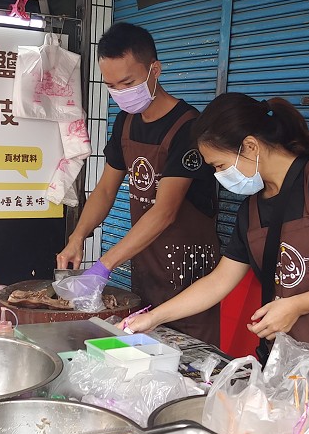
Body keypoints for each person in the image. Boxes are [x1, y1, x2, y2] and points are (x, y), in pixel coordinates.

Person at [123, 92, 309, 385]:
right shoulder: (252, 209)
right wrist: (153, 318)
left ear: (249, 146)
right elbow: (219, 281)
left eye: (219, 166)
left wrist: (296, 305)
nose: (218, 176)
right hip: (303, 363)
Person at [56, 22, 221, 345]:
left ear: (154, 70)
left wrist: (104, 266)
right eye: (112, 85)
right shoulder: (126, 121)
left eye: (128, 82)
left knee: (187, 358)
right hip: (146, 262)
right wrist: (77, 237)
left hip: (188, 270)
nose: (120, 93)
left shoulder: (189, 127)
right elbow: (105, 189)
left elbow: (164, 212)